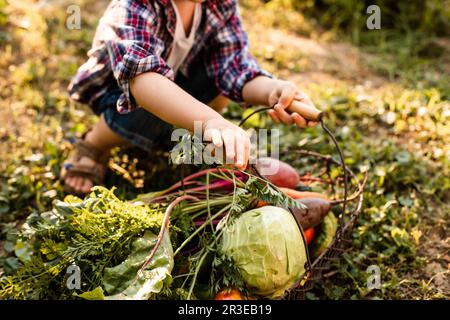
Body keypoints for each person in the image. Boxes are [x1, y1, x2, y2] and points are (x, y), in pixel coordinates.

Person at [61, 0, 319, 195]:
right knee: (147, 107)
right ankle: (94, 144)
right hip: (119, 93)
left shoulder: (218, 4)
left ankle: (178, 126)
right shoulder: (134, 5)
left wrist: (274, 91)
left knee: (220, 84)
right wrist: (211, 122)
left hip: (175, 80)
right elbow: (142, 80)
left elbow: (234, 66)